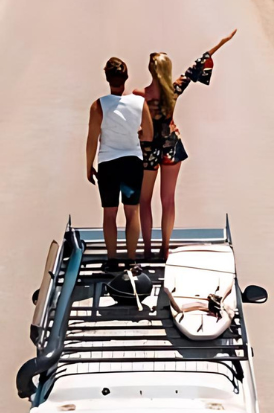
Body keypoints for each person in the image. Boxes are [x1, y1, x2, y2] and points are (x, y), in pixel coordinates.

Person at [140, 29, 238, 261]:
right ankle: (165, 246)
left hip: (149, 149)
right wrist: (220, 44)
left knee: (144, 200)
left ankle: (146, 249)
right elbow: (195, 67)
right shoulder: (173, 90)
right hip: (172, 146)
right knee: (168, 199)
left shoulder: (139, 94)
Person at [86, 57, 153, 272]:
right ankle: (131, 260)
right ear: (126, 77)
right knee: (132, 211)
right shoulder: (138, 103)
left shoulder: (99, 105)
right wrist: (133, 134)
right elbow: (149, 134)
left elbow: (92, 139)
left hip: (108, 164)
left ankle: (113, 259)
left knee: (109, 213)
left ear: (107, 78)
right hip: (132, 162)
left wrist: (88, 165)